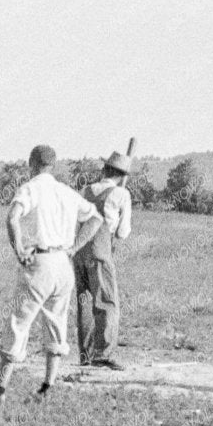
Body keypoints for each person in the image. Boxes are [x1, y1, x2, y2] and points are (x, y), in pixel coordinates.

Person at [0, 145, 101, 400]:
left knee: (19, 322)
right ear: (53, 164)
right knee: (56, 321)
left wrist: (19, 249)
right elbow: (95, 218)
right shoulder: (67, 192)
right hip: (63, 262)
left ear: (31, 163)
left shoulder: (30, 188)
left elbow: (12, 218)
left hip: (39, 261)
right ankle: (47, 385)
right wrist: (75, 247)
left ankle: (0, 387)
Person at [72, 151, 134, 369]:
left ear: (104, 170)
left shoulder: (84, 190)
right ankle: (103, 354)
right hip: (100, 251)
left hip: (78, 251)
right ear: (122, 175)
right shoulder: (121, 194)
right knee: (107, 301)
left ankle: (86, 355)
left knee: (85, 303)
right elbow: (123, 232)